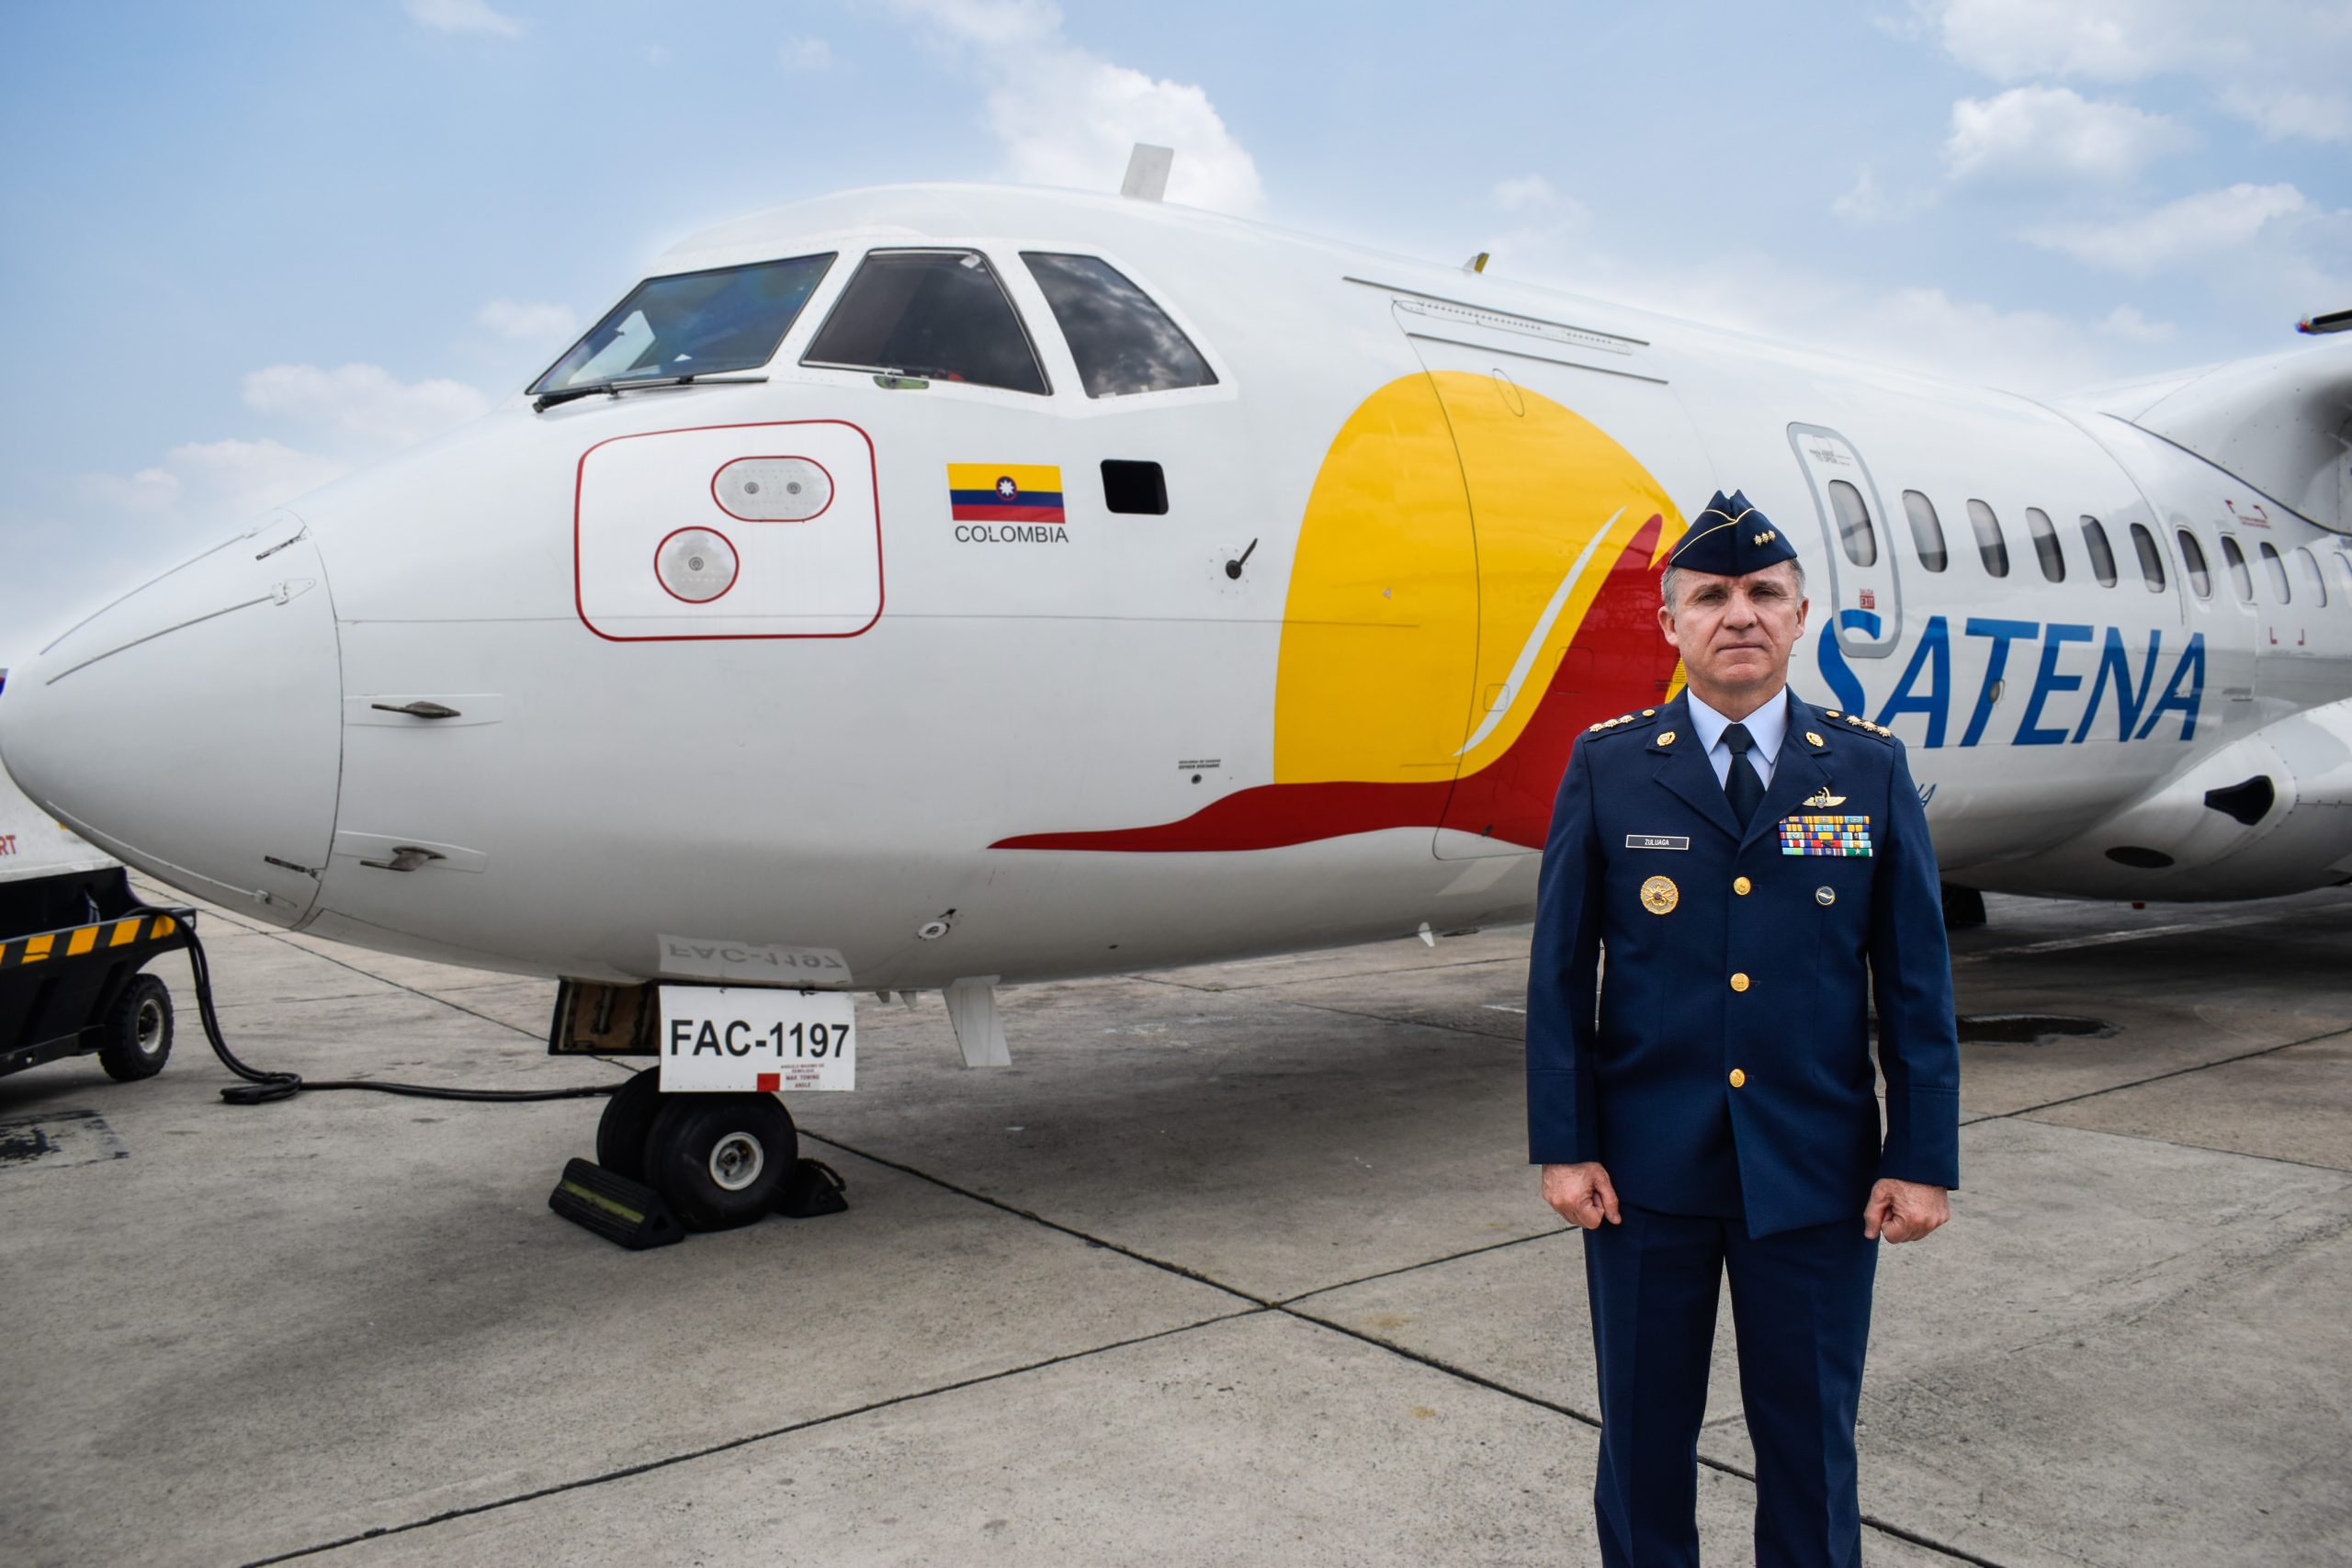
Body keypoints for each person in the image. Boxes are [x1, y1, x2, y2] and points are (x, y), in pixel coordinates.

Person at [1526, 489, 1960, 1568]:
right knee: (1641, 1437)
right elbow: (1558, 972)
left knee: (1811, 1446)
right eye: (1709, 595)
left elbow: (1913, 979)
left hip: (1813, 1175)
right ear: (1667, 622)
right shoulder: (1611, 764)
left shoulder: (1863, 766)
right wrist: (1564, 1141)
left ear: (1801, 617)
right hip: (1644, 1172)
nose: (1739, 614)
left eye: (1763, 593)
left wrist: (1921, 1156)